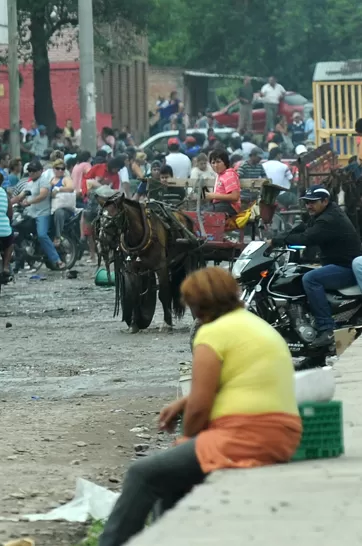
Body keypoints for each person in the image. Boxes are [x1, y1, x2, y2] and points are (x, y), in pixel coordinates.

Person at [99, 266, 301, 546]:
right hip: (281, 433)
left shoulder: (213, 333)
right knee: (170, 479)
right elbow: (233, 379)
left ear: (197, 304)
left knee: (142, 474)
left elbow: (199, 408)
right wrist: (183, 401)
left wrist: (186, 439)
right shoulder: (252, 324)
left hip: (247, 435)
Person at [272, 186, 362, 348]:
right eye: (306, 202)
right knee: (297, 271)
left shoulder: (329, 219)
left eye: (312, 202)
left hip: (346, 267)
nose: (308, 206)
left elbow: (307, 238)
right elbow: (301, 228)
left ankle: (326, 328)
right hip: (337, 264)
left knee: (311, 279)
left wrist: (278, 241)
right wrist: (276, 239)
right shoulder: (321, 215)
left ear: (325, 201)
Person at [22, 161, 66, 270]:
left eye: (33, 171)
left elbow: (43, 195)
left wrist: (29, 202)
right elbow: (22, 195)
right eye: (29, 171)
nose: (31, 173)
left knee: (42, 235)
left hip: (42, 214)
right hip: (30, 213)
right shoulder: (30, 183)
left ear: (41, 171)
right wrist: (10, 201)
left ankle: (57, 260)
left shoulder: (44, 181)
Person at [206, 149, 241, 216]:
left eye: (218, 162)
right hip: (219, 205)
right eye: (213, 163)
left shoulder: (229, 175)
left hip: (229, 207)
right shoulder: (220, 175)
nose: (215, 165)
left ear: (225, 162)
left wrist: (213, 195)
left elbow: (235, 197)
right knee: (196, 211)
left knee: (203, 214)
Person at [49, 159, 76, 242]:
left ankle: (58, 237)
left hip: (65, 209)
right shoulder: (51, 180)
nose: (60, 170)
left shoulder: (66, 179)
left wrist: (58, 189)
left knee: (59, 213)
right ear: (53, 169)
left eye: (62, 168)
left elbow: (71, 188)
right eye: (58, 168)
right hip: (51, 208)